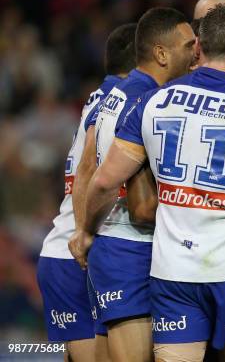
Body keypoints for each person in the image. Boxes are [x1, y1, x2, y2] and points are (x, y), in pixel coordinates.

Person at [83, 4, 225, 362]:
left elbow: (103, 181)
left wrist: (87, 231)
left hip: (175, 273)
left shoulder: (152, 102)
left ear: (198, 50)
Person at [70, 7, 196, 362]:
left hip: (113, 246)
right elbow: (141, 208)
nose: (196, 54)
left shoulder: (119, 94)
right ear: (160, 53)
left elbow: (85, 167)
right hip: (130, 248)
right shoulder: (148, 101)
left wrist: (85, 230)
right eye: (188, 46)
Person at [37, 23, 136, 362]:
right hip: (74, 254)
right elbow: (88, 171)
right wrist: (82, 233)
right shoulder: (121, 100)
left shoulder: (103, 97)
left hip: (69, 250)